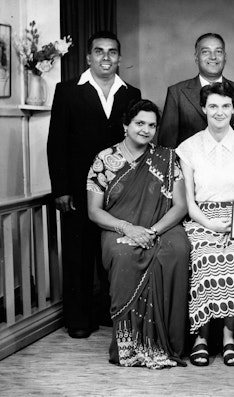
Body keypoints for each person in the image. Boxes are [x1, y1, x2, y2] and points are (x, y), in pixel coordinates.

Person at [47, 31, 141, 339]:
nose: (105, 57)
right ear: (88, 57)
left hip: (119, 189)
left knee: (111, 252)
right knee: (79, 253)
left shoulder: (131, 93)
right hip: (77, 189)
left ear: (119, 58)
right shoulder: (68, 90)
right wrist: (60, 188)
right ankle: (78, 319)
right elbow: (56, 142)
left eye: (112, 52)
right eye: (99, 51)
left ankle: (107, 311)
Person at [87, 99, 190, 369]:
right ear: (126, 125)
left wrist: (152, 231)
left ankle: (168, 344)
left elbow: (180, 206)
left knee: (177, 250)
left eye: (152, 125)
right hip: (118, 227)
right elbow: (94, 212)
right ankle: (128, 347)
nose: (145, 130)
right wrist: (128, 228)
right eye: (139, 123)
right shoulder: (104, 160)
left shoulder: (167, 159)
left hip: (161, 225)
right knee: (123, 253)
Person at [176, 82, 234, 367]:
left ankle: (229, 337)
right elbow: (189, 203)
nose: (219, 111)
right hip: (202, 219)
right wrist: (211, 225)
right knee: (202, 255)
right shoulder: (188, 148)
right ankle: (201, 337)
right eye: (213, 106)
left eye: (225, 106)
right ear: (203, 108)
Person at [158, 33, 234, 148]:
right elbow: (166, 147)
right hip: (188, 165)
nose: (213, 57)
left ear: (225, 57)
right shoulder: (177, 93)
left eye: (218, 51)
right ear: (196, 57)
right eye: (206, 52)